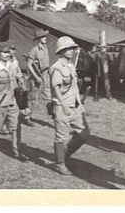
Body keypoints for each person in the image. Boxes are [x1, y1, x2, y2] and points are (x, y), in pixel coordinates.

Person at [50, 36, 90, 175]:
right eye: (69, 48)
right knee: (61, 136)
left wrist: (80, 104)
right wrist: (63, 105)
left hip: (75, 105)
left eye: (73, 48)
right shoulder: (56, 68)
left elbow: (74, 87)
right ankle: (59, 163)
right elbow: (55, 89)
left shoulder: (71, 66)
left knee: (84, 134)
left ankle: (65, 153)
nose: (72, 51)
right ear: (61, 51)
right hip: (62, 106)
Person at [7, 39, 33, 127]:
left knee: (22, 99)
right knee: (7, 103)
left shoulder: (14, 60)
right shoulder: (3, 60)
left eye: (14, 49)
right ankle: (3, 124)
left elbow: (17, 70)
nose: (13, 51)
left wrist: (20, 78)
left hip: (15, 83)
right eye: (11, 49)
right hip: (6, 84)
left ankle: (26, 118)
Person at [27, 28, 51, 101]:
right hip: (38, 76)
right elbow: (29, 65)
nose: (45, 38)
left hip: (46, 75)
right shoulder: (34, 50)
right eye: (43, 37)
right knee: (34, 98)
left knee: (48, 97)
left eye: (45, 36)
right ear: (38, 39)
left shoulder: (45, 48)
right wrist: (36, 77)